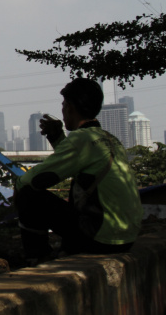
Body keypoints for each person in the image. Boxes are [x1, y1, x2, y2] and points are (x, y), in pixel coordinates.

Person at [15, 78, 142, 261]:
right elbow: (77, 162)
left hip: (101, 239)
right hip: (125, 238)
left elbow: (37, 179)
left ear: (69, 107)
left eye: (63, 104)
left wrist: (19, 186)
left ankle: (38, 259)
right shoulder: (109, 139)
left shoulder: (81, 140)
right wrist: (57, 137)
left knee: (28, 194)